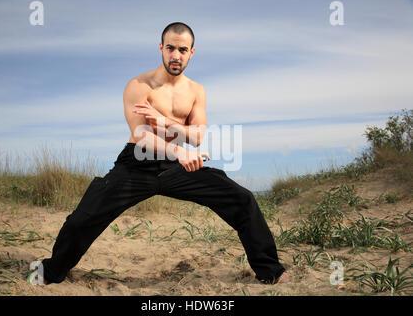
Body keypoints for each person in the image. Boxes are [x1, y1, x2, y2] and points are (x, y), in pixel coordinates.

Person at [38, 22, 289, 285]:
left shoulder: (196, 91)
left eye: (182, 49)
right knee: (84, 218)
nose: (175, 55)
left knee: (242, 200)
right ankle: (51, 271)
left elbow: (197, 135)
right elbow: (142, 136)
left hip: (178, 165)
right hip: (137, 163)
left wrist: (166, 122)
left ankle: (270, 271)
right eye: (170, 48)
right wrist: (179, 149)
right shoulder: (139, 85)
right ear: (161, 48)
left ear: (192, 52)